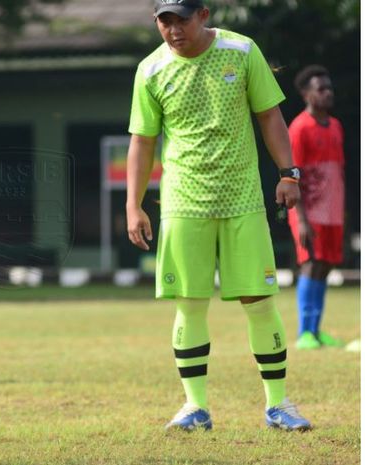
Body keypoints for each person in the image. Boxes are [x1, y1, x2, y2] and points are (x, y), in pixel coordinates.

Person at [126, 0, 311, 431]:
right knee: (189, 305)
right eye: (164, 21)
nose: (174, 30)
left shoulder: (242, 50)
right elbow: (142, 140)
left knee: (260, 302)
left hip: (243, 200)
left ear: (204, 15)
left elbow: (269, 115)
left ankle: (279, 405)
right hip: (183, 203)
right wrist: (133, 205)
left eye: (182, 19)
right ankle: (195, 407)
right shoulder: (150, 71)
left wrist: (289, 174)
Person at [288, 65, 345, 350]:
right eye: (321, 88)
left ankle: (317, 330)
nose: (327, 92)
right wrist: (300, 219)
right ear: (306, 94)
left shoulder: (335, 126)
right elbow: (291, 174)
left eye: (329, 87)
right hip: (308, 212)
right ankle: (304, 332)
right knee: (311, 266)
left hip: (332, 211)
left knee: (325, 266)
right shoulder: (299, 129)